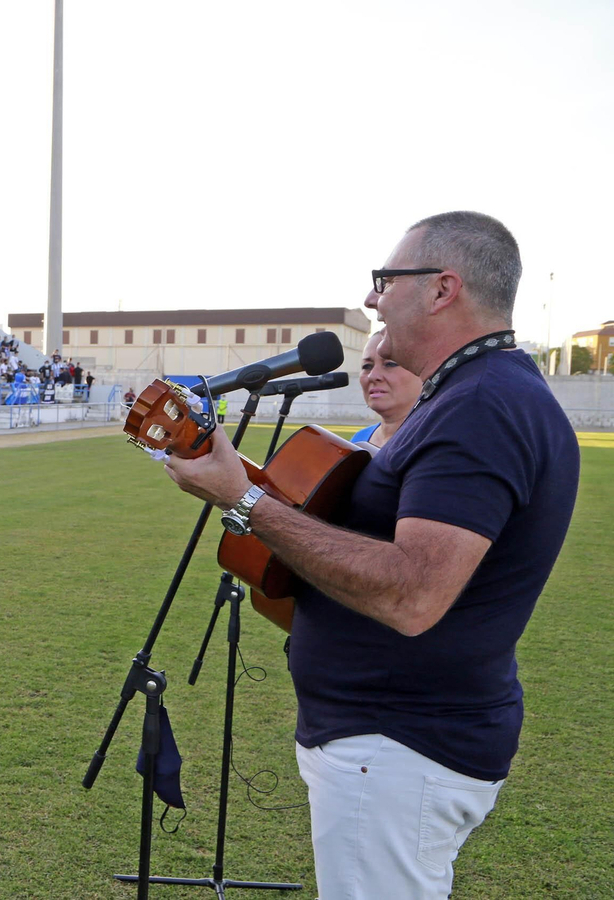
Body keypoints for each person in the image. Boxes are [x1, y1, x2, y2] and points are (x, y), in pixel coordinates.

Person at [162, 211, 578, 900]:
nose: (372, 299)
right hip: (393, 743)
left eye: (385, 280)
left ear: (443, 289)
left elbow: (411, 593)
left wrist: (245, 502)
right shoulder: (477, 395)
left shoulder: (483, 406)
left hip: (398, 747)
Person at [351, 330, 423, 448]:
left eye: (390, 364)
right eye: (367, 366)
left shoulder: (433, 442)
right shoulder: (358, 441)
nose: (373, 376)